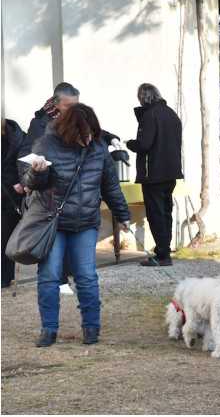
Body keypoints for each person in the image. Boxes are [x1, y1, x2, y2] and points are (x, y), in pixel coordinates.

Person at [22, 103, 131, 347]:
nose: (89, 139)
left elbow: (110, 185)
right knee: (49, 276)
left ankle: (91, 327)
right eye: (84, 135)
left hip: (85, 222)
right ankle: (48, 330)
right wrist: (37, 173)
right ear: (70, 131)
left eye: (92, 133)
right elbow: (29, 183)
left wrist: (122, 214)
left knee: (86, 276)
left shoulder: (98, 147)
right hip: (54, 222)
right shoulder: (45, 145)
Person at [18, 82, 123, 295]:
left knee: (83, 267)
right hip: (53, 199)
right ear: (56, 105)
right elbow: (27, 152)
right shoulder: (40, 124)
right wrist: (28, 178)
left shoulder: (84, 126)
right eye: (69, 105)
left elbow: (94, 133)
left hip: (80, 200)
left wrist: (111, 138)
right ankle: (59, 280)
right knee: (51, 249)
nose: (74, 109)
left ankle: (69, 284)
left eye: (77, 104)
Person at [127, 83, 183, 267]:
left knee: (156, 214)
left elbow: (144, 144)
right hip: (171, 172)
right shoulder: (170, 113)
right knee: (165, 213)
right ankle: (164, 250)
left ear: (143, 98)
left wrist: (129, 143)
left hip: (154, 173)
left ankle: (163, 255)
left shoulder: (149, 115)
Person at [1, 117, 25, 289]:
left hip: (10, 195)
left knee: (5, 237)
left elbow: (26, 162)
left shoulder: (19, 136)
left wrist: (22, 181)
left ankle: (3, 278)